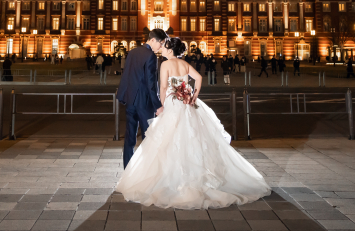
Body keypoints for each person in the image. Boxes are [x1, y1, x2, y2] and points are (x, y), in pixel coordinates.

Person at [116, 36, 270, 209]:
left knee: (169, 141)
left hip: (173, 104)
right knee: (194, 139)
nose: (163, 50)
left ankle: (171, 177)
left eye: (165, 47)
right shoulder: (184, 64)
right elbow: (198, 78)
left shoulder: (165, 65)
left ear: (170, 50)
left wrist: (161, 106)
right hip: (188, 104)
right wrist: (194, 95)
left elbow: (163, 88)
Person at [117, 29, 166, 168]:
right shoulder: (151, 56)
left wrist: (123, 95)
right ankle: (146, 170)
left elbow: (126, 74)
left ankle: (127, 169)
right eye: (160, 43)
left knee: (130, 137)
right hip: (144, 103)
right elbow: (151, 84)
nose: (160, 47)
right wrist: (157, 105)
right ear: (152, 40)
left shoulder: (132, 52)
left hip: (131, 100)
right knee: (148, 137)